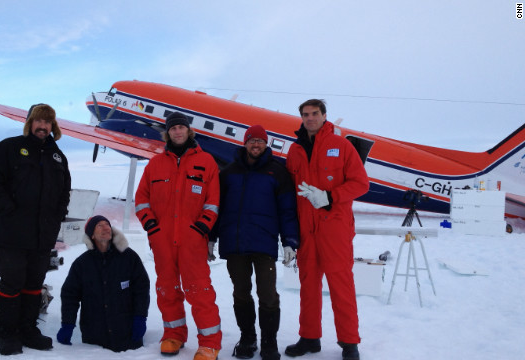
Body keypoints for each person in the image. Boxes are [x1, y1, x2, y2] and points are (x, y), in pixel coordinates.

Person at [0, 103, 71, 355]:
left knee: (34, 284)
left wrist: (56, 218)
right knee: (12, 283)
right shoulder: (7, 149)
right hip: (13, 234)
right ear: (30, 123)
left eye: (47, 122)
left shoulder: (58, 157)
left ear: (53, 126)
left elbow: (64, 193)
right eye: (38, 121)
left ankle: (28, 330)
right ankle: (7, 335)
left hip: (43, 236)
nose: (43, 126)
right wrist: (9, 209)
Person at [284, 100, 369, 360]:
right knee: (308, 286)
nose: (310, 118)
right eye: (305, 115)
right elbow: (288, 192)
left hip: (334, 229)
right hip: (306, 230)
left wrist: (330, 197)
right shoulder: (295, 151)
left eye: (314, 114)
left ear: (324, 116)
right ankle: (310, 338)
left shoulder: (341, 146)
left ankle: (349, 343)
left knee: (340, 286)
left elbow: (361, 183)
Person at [135, 111, 222, 360]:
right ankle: (173, 335)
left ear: (189, 130)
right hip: (162, 240)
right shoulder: (155, 164)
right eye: (173, 128)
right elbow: (142, 199)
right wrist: (152, 226)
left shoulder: (207, 162)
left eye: (181, 127)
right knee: (167, 289)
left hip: (193, 240)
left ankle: (209, 343)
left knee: (200, 290)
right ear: (168, 132)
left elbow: (213, 202)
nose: (178, 132)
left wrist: (200, 229)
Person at [210, 125, 299, 360]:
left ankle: (269, 342)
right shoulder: (228, 173)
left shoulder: (277, 173)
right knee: (241, 293)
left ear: (266, 144)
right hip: (235, 244)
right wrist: (211, 238)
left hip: (264, 245)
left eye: (260, 141)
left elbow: (287, 210)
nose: (256, 145)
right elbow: (216, 209)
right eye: (252, 141)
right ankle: (247, 338)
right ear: (245, 143)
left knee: (268, 294)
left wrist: (289, 241)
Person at [56, 215, 150, 352]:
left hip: (127, 335)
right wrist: (67, 324)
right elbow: (70, 295)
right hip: (94, 338)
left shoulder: (129, 257)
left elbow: (142, 289)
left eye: (107, 224)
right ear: (91, 236)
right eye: (100, 225)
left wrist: (140, 317)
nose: (106, 227)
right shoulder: (82, 264)